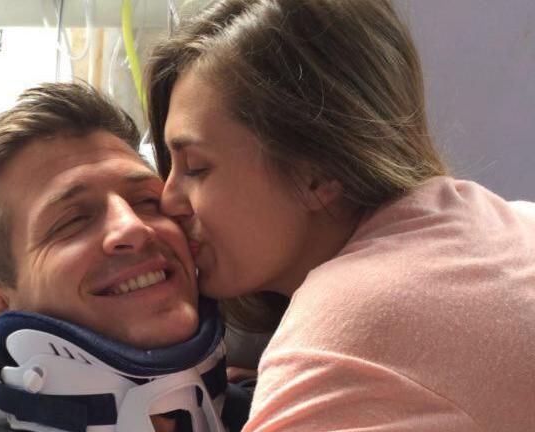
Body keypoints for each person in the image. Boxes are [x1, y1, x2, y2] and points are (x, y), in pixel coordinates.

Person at [146, 0, 535, 431]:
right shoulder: (507, 220)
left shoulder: (347, 331)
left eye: (197, 167)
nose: (168, 201)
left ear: (317, 170)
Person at [0, 82, 246, 432]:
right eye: (73, 220)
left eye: (147, 202)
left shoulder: (297, 401)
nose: (133, 228)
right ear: (0, 305)